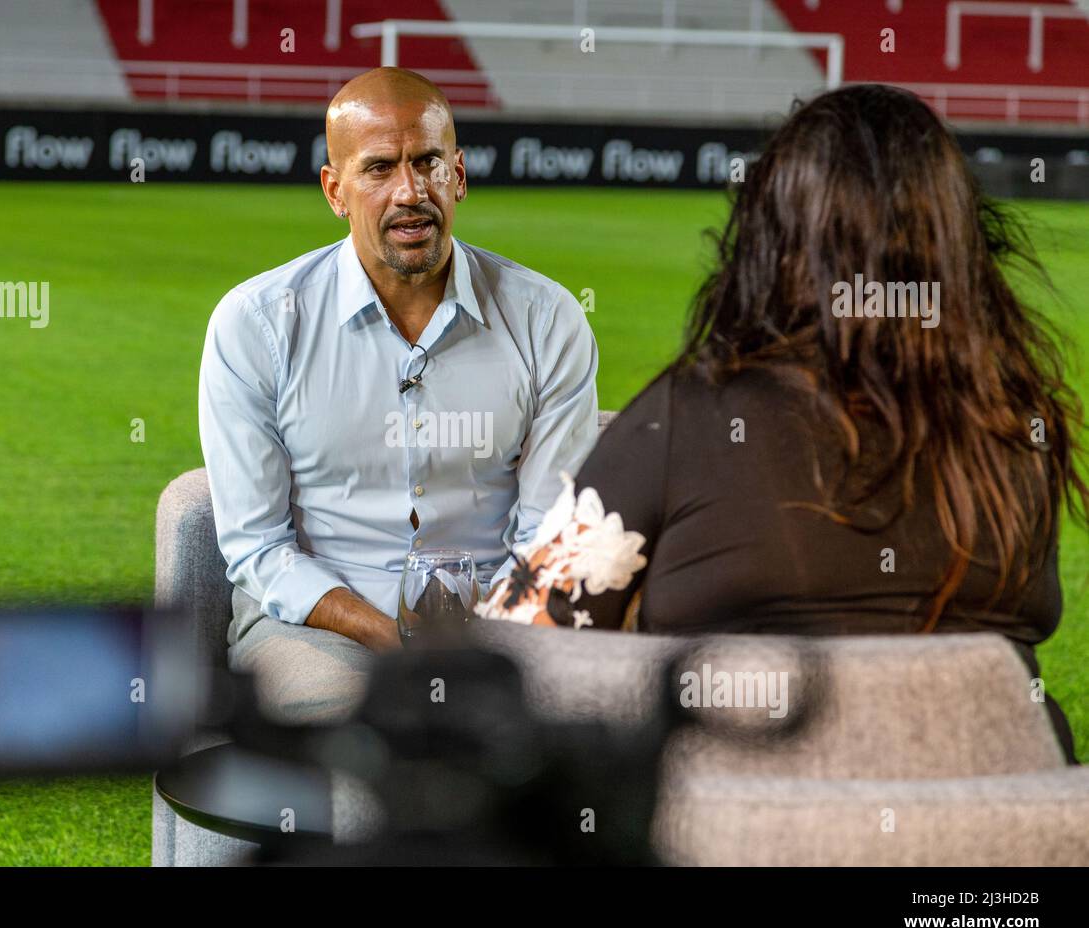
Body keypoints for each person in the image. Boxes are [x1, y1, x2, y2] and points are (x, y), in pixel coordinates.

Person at [475, 84, 1083, 762]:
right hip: (1005, 825)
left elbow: (523, 642)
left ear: (772, 238)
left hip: (747, 831)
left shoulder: (689, 416)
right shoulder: (1019, 427)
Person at [199, 68, 598, 721]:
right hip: (316, 631)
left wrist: (481, 641)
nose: (411, 192)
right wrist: (393, 637)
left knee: (580, 727)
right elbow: (259, 549)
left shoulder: (547, 319)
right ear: (335, 190)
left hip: (503, 629)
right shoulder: (257, 324)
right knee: (360, 733)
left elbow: (547, 536)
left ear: (460, 176)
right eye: (379, 168)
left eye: (429, 163)